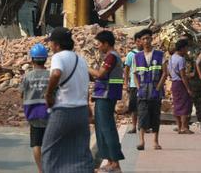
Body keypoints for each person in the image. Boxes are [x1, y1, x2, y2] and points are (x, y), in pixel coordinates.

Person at [42, 27, 94, 172]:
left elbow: (57, 73)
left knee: (49, 150)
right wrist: (88, 109)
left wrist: (48, 94)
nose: (50, 46)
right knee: (80, 152)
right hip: (81, 111)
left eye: (50, 43)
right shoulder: (81, 60)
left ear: (57, 44)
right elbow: (85, 86)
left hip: (63, 111)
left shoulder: (58, 57)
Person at [89, 30, 124, 172]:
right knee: (101, 129)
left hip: (107, 95)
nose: (98, 47)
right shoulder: (108, 57)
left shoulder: (111, 57)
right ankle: (110, 160)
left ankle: (115, 162)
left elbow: (100, 74)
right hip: (103, 95)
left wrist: (86, 68)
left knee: (107, 129)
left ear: (106, 44)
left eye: (99, 44)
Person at [132, 28, 166, 152]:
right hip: (143, 91)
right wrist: (138, 88)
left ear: (152, 39)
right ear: (140, 41)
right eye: (143, 39)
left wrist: (158, 88)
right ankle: (141, 141)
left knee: (155, 116)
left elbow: (164, 73)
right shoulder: (137, 56)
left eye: (148, 38)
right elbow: (134, 74)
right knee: (142, 115)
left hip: (155, 89)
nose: (146, 41)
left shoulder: (159, 54)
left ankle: (156, 141)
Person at [21, 44, 50, 173]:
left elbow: (21, 92)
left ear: (32, 59)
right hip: (49, 112)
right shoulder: (51, 75)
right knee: (49, 143)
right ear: (45, 59)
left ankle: (41, 170)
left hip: (33, 113)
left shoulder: (27, 76)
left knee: (36, 143)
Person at [169, 39, 192, 134]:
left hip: (174, 83)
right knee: (184, 105)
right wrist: (188, 89)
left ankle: (178, 126)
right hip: (180, 84)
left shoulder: (171, 58)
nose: (187, 50)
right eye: (186, 48)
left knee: (176, 104)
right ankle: (183, 127)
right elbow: (182, 75)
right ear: (182, 48)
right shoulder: (181, 59)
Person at [184, 45, 201, 132]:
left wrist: (184, 76)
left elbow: (192, 73)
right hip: (198, 84)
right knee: (199, 106)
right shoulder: (200, 58)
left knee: (188, 106)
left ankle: (185, 125)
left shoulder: (192, 60)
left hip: (191, 84)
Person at [122, 37, 142, 134]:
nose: (141, 43)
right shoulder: (131, 54)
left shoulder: (147, 53)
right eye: (138, 41)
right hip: (134, 85)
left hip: (145, 84)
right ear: (136, 42)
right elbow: (126, 69)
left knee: (144, 106)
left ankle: (144, 126)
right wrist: (126, 83)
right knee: (134, 107)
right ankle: (134, 126)